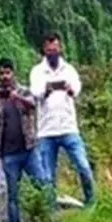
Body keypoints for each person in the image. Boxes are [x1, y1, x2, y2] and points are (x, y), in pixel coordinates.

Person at [0, 58, 45, 222]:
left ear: (13, 73)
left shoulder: (23, 91)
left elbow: (33, 106)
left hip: (28, 149)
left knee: (42, 185)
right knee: (13, 195)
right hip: (8, 154)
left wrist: (16, 97)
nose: (5, 77)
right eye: (1, 73)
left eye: (8, 72)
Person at [29, 33, 95, 206]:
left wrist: (70, 89)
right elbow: (35, 92)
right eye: (49, 50)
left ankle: (91, 202)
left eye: (55, 49)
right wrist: (47, 90)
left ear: (60, 48)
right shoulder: (37, 71)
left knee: (83, 167)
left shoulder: (69, 70)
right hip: (46, 131)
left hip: (68, 128)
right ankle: (50, 211)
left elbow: (77, 89)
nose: (52, 52)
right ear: (44, 50)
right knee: (48, 176)